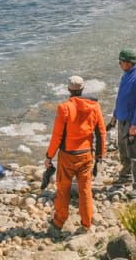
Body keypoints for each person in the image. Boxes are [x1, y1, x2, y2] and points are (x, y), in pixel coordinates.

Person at [45, 75, 106, 235]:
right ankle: (86, 223)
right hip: (86, 154)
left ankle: (59, 222)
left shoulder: (64, 107)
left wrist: (49, 156)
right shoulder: (94, 106)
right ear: (82, 89)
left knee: (63, 189)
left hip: (67, 156)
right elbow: (101, 132)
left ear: (68, 90)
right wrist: (100, 155)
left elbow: (57, 136)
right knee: (85, 190)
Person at [114, 48, 136, 194]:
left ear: (128, 63)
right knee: (123, 149)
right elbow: (121, 97)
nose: (119, 64)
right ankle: (126, 175)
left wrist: (135, 124)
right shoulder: (126, 75)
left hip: (131, 121)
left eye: (121, 62)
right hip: (122, 119)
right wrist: (115, 115)